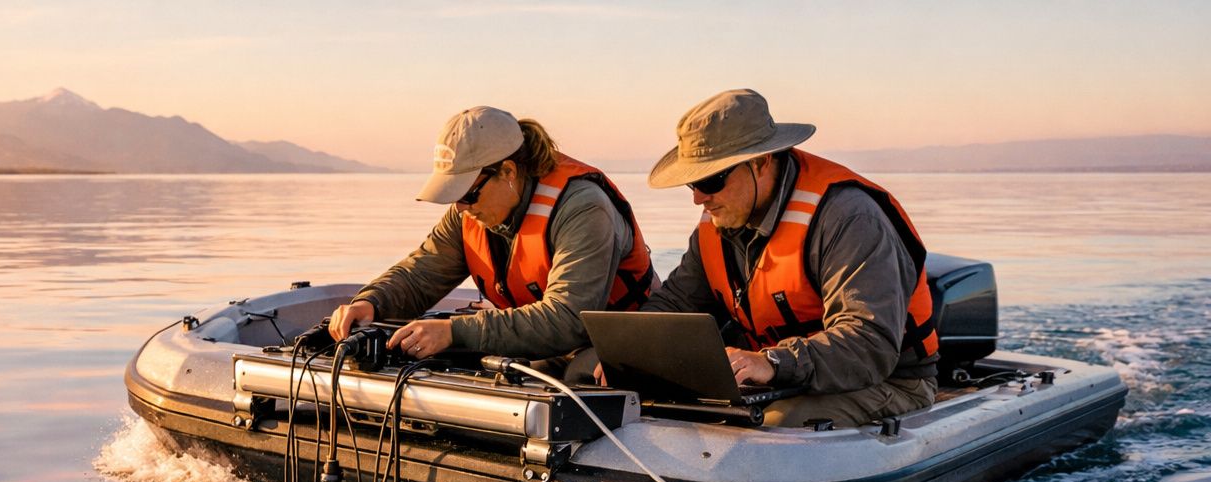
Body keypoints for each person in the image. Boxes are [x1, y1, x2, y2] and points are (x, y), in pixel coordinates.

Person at [641, 89, 940, 428]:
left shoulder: (849, 217)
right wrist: (633, 354)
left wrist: (773, 363)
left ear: (760, 162)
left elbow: (869, 344)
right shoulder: (720, 220)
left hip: (888, 382)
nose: (698, 198)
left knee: (775, 425)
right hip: (780, 375)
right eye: (692, 183)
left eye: (711, 180)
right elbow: (677, 302)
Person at [329, 106, 654, 371]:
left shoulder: (583, 206)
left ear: (508, 171)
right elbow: (421, 273)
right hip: (536, 341)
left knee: (572, 375)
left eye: (467, 194)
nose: (459, 206)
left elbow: (568, 319)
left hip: (613, 344)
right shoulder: (470, 211)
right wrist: (370, 301)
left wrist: (455, 332)